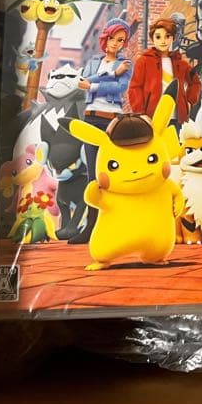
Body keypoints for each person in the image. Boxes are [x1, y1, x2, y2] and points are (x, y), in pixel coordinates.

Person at [73, 17, 132, 244]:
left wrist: (95, 85)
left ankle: (117, 224)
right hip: (91, 118)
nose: (116, 44)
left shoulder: (126, 63)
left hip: (112, 120)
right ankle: (91, 226)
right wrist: (112, 74)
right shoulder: (94, 62)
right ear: (105, 38)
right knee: (93, 175)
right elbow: (83, 81)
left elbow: (120, 88)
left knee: (114, 173)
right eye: (113, 38)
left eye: (121, 40)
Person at [128, 17, 201, 122]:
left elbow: (195, 82)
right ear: (153, 38)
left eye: (167, 36)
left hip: (178, 118)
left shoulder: (181, 64)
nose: (163, 41)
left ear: (173, 38)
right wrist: (141, 113)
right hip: (152, 118)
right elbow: (135, 88)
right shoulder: (144, 62)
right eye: (158, 37)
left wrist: (189, 101)